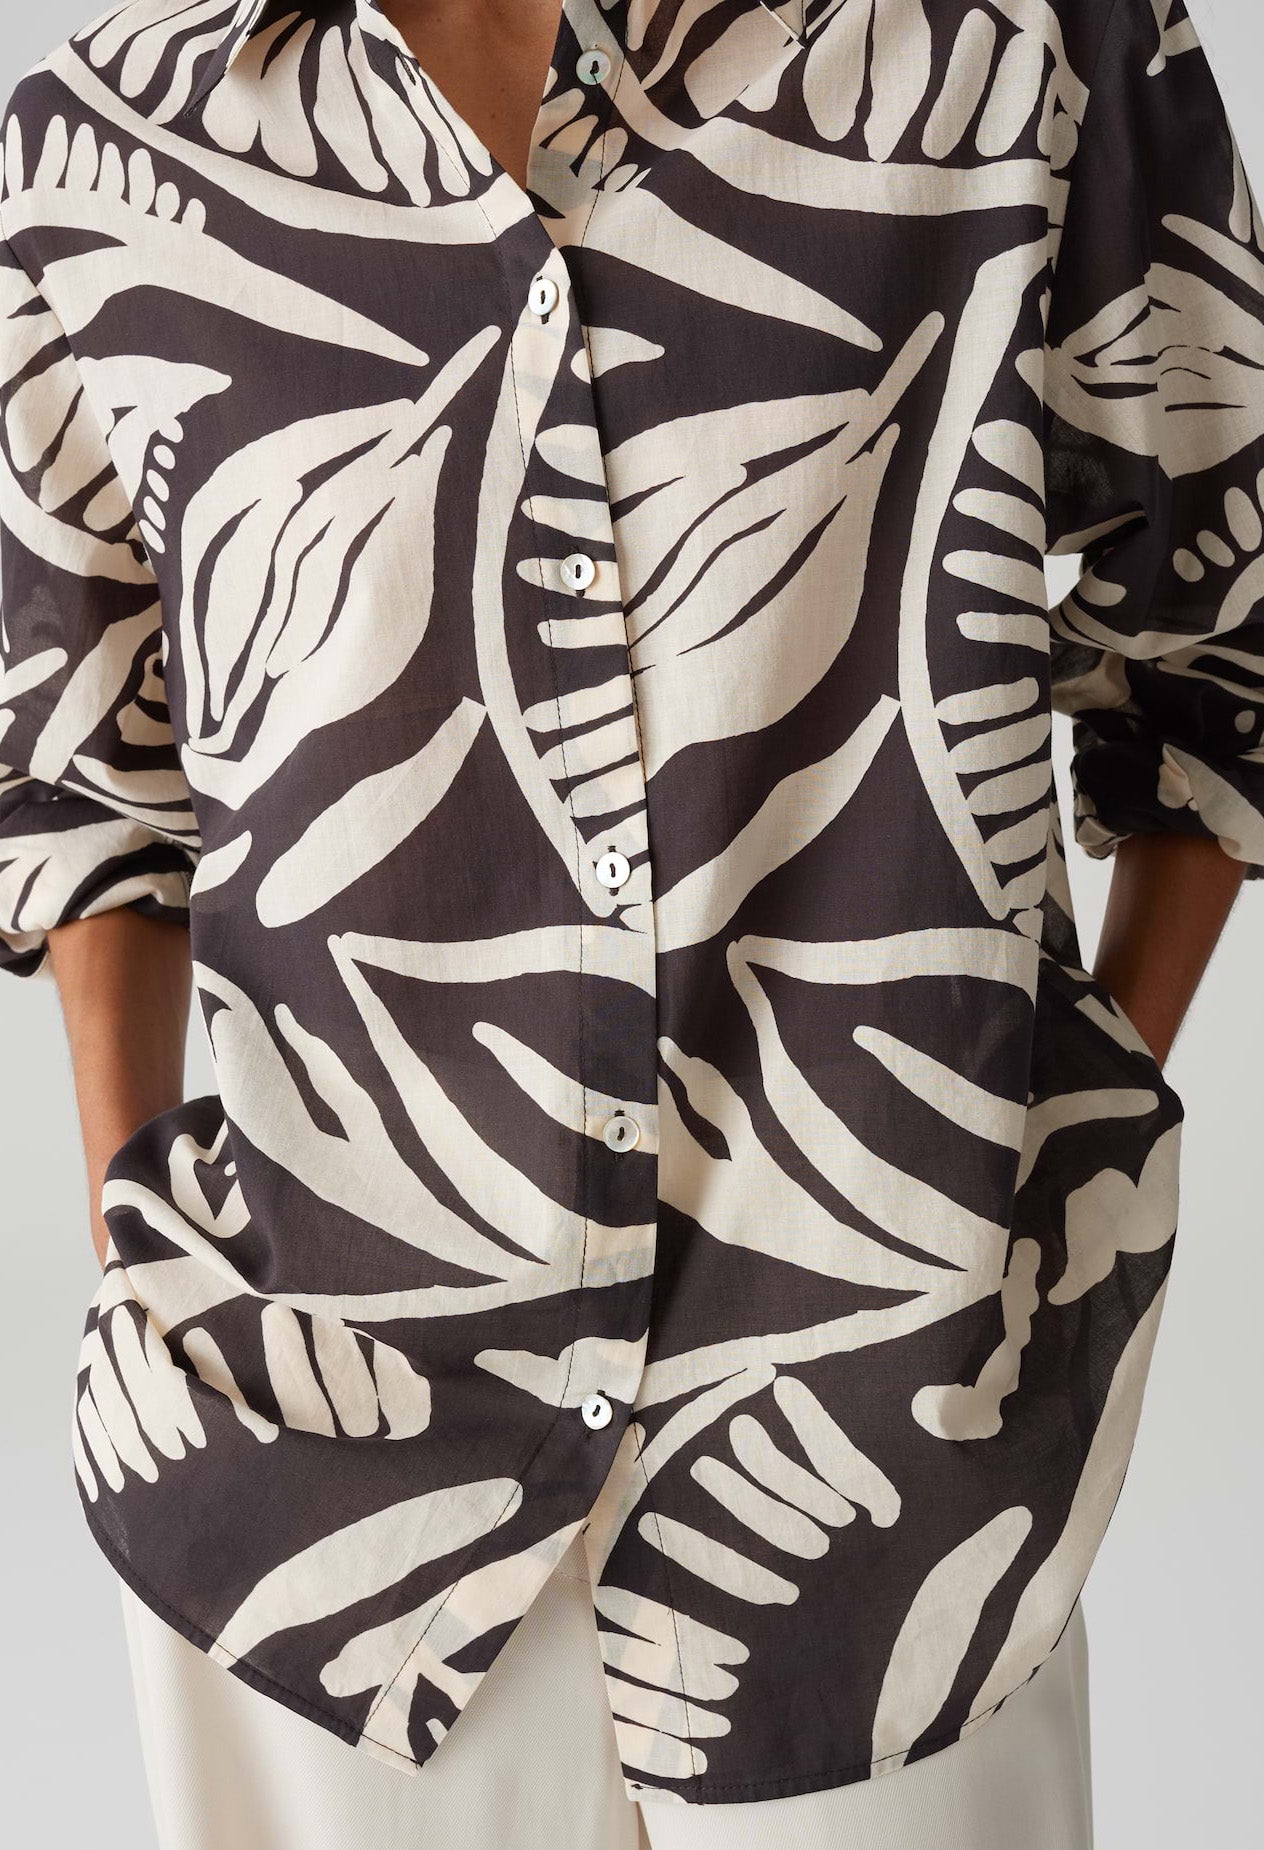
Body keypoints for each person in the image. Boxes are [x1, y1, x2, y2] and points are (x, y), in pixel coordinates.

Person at [1, 0, 1260, 1845]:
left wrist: (1045, 1136)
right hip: (318, 1487)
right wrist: (131, 1227)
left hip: (886, 1470)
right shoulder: (113, 141)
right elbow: (87, 786)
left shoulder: (1022, 47)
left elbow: (1220, 648)